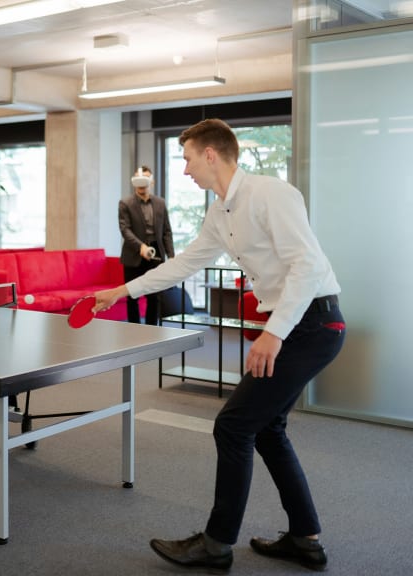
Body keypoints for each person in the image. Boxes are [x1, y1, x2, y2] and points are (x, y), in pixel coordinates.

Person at [94, 119, 345, 572]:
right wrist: (122, 291)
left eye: (188, 158)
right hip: (296, 324)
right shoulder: (219, 213)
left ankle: (216, 544)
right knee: (266, 429)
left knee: (232, 426)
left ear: (211, 154)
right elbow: (185, 264)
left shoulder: (271, 194)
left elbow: (307, 266)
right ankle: (305, 538)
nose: (185, 169)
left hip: (313, 325)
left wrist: (273, 333)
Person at [118, 165, 174, 324]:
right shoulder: (125, 203)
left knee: (154, 296)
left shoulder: (160, 203)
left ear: (152, 182)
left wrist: (171, 256)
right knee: (132, 296)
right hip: (133, 254)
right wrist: (141, 247)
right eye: (138, 179)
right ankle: (134, 331)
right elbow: (125, 229)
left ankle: (151, 331)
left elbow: (166, 231)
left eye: (145, 179)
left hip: (156, 253)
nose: (141, 183)